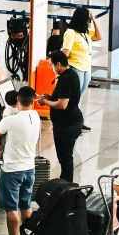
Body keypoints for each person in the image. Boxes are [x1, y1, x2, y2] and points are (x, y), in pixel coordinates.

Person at [0, 85, 40, 235]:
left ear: (18, 100)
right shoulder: (36, 116)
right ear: (33, 100)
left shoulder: (11, 120)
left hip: (11, 171)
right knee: (26, 206)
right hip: (29, 169)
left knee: (11, 209)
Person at [39, 50, 82, 182]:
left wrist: (45, 102)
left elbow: (63, 104)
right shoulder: (71, 75)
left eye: (52, 65)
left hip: (67, 125)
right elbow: (62, 98)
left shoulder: (66, 79)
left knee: (65, 158)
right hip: (70, 122)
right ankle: (65, 182)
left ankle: (66, 185)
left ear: (58, 64)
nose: (52, 69)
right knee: (65, 156)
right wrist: (50, 97)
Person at [60, 7, 100, 129]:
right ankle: (72, 121)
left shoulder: (85, 32)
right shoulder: (70, 33)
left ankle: (77, 121)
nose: (88, 21)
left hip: (86, 67)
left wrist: (94, 20)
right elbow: (65, 53)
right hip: (75, 67)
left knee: (80, 95)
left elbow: (98, 36)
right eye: (87, 18)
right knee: (74, 96)